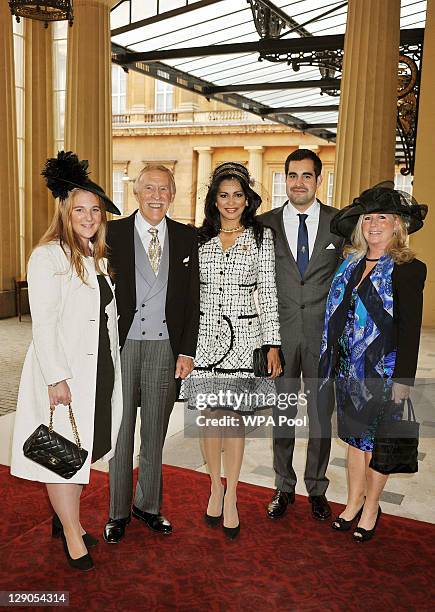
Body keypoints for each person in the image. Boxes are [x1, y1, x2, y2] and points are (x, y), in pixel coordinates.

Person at [10, 151, 123, 571]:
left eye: (95, 210)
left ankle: (67, 520)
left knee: (78, 452)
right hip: (63, 375)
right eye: (80, 209)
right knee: (59, 455)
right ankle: (73, 533)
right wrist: (57, 378)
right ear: (65, 212)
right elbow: (43, 324)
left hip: (98, 371)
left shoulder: (97, 257)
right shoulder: (49, 257)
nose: (90, 216)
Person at [319, 183, 427, 542]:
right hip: (349, 369)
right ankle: (352, 502)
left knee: (376, 444)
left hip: (384, 370)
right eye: (368, 217)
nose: (374, 224)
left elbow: (410, 327)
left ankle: (371, 507)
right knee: (353, 441)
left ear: (398, 225)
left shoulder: (409, 269)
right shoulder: (348, 264)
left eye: (384, 217)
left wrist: (404, 377)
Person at [182, 162, 281, 540]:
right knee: (210, 417)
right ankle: (214, 487)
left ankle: (234, 494)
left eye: (237, 195)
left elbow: (268, 293)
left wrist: (273, 344)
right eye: (223, 195)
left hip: (245, 338)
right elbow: (191, 295)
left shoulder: (260, 237)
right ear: (214, 199)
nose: (230, 202)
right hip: (206, 339)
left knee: (233, 418)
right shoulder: (199, 238)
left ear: (247, 199)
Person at [103, 164, 200, 544]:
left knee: (155, 433)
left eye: (164, 189)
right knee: (121, 432)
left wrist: (187, 351)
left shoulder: (186, 236)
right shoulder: (113, 233)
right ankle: (117, 511)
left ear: (172, 194)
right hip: (123, 345)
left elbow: (193, 299)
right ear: (136, 193)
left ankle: (149, 505)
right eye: (149, 189)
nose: (156, 195)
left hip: (165, 346)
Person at [258, 149, 343, 521]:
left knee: (321, 416)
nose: (298, 183)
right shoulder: (264, 225)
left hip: (323, 339)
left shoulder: (340, 225)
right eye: (292, 175)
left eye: (307, 176)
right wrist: (266, 340)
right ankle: (283, 486)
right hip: (281, 337)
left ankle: (317, 487)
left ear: (318, 180)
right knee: (283, 415)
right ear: (286, 178)